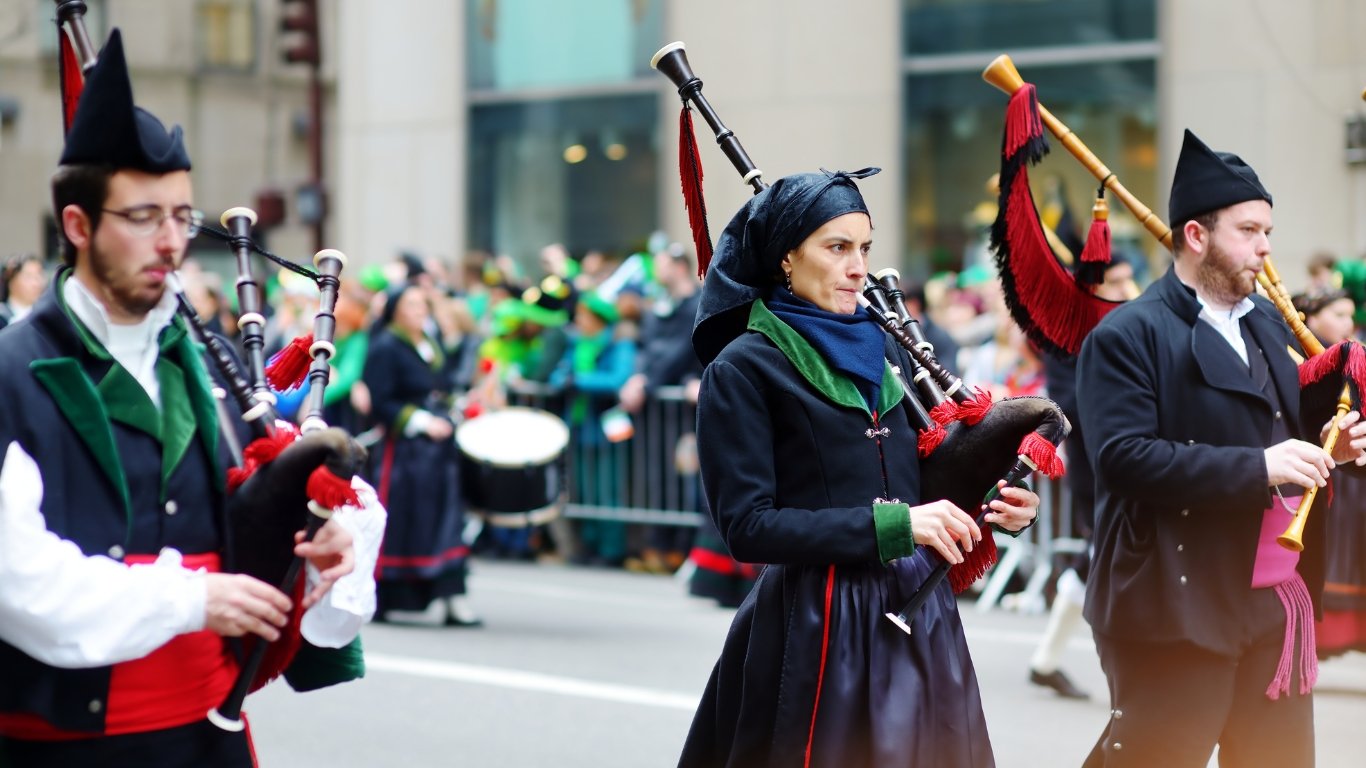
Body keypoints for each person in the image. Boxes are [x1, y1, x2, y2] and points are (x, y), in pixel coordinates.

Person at [0, 30, 380, 767]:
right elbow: (18, 580)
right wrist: (190, 601)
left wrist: (319, 553)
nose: (171, 242)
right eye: (143, 217)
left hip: (210, 740)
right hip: (66, 751)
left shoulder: (210, 370)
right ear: (77, 227)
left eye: (181, 216)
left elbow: (247, 531)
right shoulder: (14, 374)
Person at [678, 168, 1039, 767]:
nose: (857, 267)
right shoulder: (742, 368)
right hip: (813, 630)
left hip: (918, 615)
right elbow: (747, 527)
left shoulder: (887, 349)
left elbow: (916, 486)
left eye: (865, 248)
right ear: (787, 259)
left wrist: (994, 507)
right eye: (837, 247)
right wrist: (895, 527)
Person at [1076, 130, 1366, 767]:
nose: (1265, 247)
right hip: (1174, 602)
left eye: (1267, 230)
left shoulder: (1264, 322)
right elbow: (1123, 459)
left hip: (1272, 599)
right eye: (1248, 230)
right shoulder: (1127, 335)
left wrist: (1329, 450)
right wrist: (1260, 467)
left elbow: (1274, 432)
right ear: (1196, 236)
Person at [1027, 253, 1139, 700]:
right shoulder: (1067, 336)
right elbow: (1065, 405)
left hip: (1133, 460)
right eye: (1118, 281)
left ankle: (1046, 661)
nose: (1128, 291)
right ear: (1093, 289)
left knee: (1097, 559)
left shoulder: (1135, 324)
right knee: (1109, 555)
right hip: (1099, 466)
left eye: (1131, 279)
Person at [364, 282, 480, 626]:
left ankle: (452, 595)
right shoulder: (385, 347)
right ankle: (385, 596)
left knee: (445, 520)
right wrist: (420, 421)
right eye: (411, 304)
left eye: (421, 303)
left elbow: (438, 387)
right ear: (396, 310)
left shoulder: (429, 342)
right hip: (404, 452)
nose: (420, 309)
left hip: (437, 450)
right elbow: (381, 400)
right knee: (402, 521)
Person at [618, 242, 703, 574]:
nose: (656, 269)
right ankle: (659, 545)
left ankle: (682, 548)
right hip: (656, 404)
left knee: (684, 474)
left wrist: (647, 381)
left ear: (680, 267)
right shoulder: (658, 306)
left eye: (663, 263)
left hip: (683, 406)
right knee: (657, 473)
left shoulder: (696, 304)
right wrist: (638, 377)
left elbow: (682, 349)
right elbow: (648, 346)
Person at [1290, 288, 1366, 660]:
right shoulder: (1293, 357)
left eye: (1350, 315)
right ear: (1310, 316)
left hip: (1349, 480)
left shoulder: (1354, 358)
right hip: (1307, 478)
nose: (1347, 324)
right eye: (1337, 313)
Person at [0, 252, 48, 330]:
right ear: (11, 282)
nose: (36, 283)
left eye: (40, 275)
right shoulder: (2, 318)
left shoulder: (48, 315)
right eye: (28, 277)